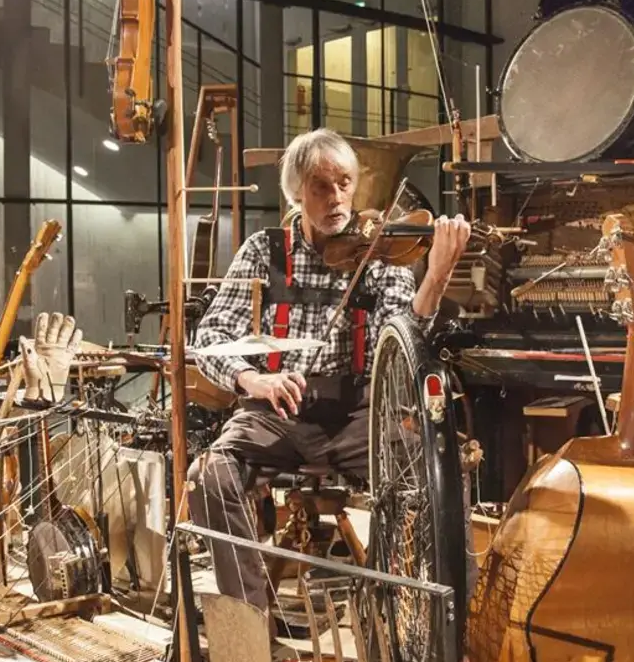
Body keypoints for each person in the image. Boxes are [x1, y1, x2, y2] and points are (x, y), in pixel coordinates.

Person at [188, 127, 471, 612]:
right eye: (321, 186)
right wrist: (255, 379)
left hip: (355, 415)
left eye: (345, 183)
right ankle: (251, 624)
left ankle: (404, 619)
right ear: (296, 192)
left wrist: (438, 275)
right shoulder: (264, 251)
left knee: (434, 470)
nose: (337, 198)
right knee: (207, 477)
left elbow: (405, 341)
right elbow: (209, 337)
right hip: (276, 411)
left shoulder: (378, 252)